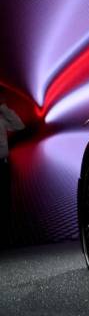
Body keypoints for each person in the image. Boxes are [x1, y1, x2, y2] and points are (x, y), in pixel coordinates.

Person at [1, 93, 26, 247]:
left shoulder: (1, 117)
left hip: (2, 164)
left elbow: (19, 126)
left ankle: (6, 238)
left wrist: (4, 108)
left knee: (5, 201)